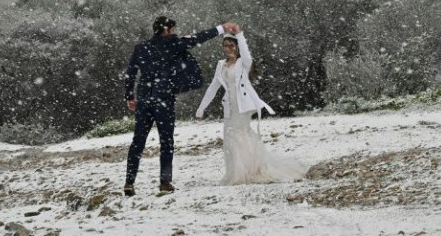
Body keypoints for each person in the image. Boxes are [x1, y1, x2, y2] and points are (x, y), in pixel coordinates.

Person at [123, 16, 239, 196]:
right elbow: (199, 38)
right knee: (166, 142)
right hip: (164, 98)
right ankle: (165, 182)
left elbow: (130, 73)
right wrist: (222, 28)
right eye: (173, 30)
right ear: (167, 30)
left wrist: (130, 96)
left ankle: (129, 182)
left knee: (138, 142)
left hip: (145, 98)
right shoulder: (174, 43)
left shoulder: (141, 47)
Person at [195, 29, 307, 185]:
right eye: (225, 46)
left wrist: (240, 35)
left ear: (237, 46)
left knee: (237, 134)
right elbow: (213, 88)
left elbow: (246, 54)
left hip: (243, 106)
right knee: (230, 137)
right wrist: (201, 109)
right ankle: (240, 170)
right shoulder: (221, 65)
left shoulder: (243, 63)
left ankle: (245, 172)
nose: (228, 49)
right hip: (229, 105)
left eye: (231, 46)